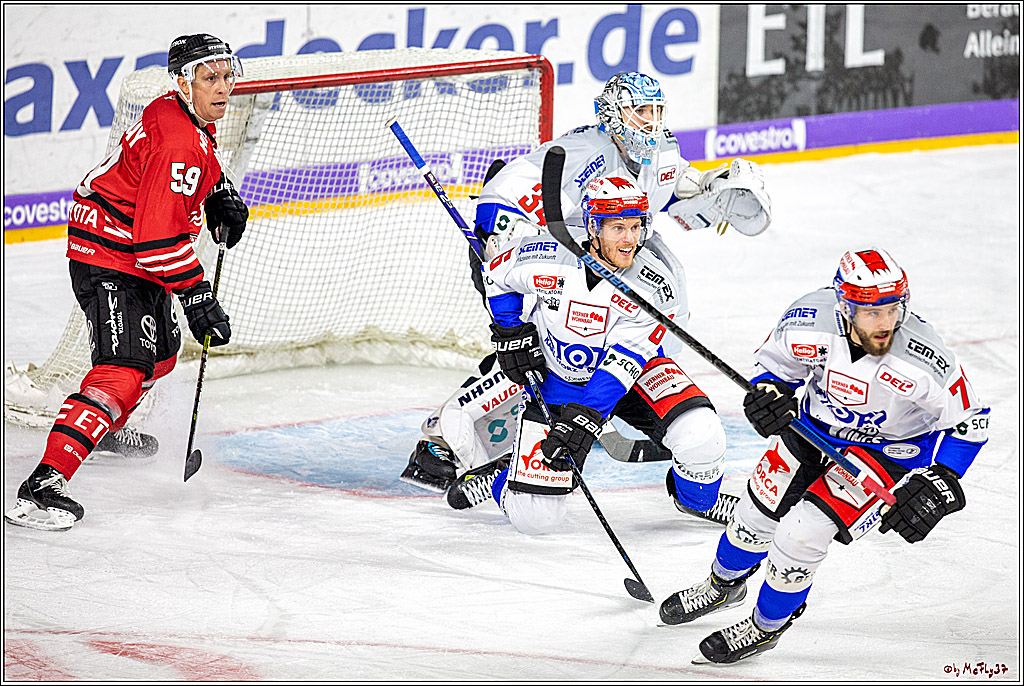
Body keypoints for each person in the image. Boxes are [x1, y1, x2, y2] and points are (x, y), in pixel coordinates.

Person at [401, 72, 773, 526]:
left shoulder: (659, 154)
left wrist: (716, 192)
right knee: (534, 349)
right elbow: (504, 194)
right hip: (543, 263)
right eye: (640, 112)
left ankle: (601, 424)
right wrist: (510, 291)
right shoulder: (578, 154)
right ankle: (448, 437)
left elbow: (677, 193)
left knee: (648, 341)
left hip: (616, 278)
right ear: (613, 115)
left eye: (657, 112)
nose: (651, 123)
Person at [658, 247, 989, 664]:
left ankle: (765, 626)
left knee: (800, 534)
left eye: (892, 309)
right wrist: (771, 394)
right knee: (753, 517)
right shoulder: (808, 321)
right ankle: (723, 585)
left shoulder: (926, 360)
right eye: (871, 312)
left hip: (887, 452)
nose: (884, 323)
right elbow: (777, 371)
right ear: (845, 307)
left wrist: (943, 478)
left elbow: (971, 421)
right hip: (810, 430)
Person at [4, 34, 249, 531]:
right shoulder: (181, 141)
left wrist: (218, 190)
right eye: (210, 78)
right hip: (111, 254)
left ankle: (103, 429)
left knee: (160, 355)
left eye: (227, 76)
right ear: (183, 82)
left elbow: (188, 162)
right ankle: (41, 487)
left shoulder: (178, 112)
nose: (223, 88)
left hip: (127, 247)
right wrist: (198, 296)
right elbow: (156, 244)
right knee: (124, 368)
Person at [448, 175, 698, 533]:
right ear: (593, 228)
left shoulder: (656, 286)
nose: (630, 240)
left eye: (635, 227)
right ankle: (503, 479)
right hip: (556, 382)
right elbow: (496, 274)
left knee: (700, 435)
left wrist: (585, 418)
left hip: (629, 378)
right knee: (536, 520)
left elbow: (626, 361)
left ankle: (698, 497)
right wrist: (510, 330)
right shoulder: (545, 254)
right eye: (617, 228)